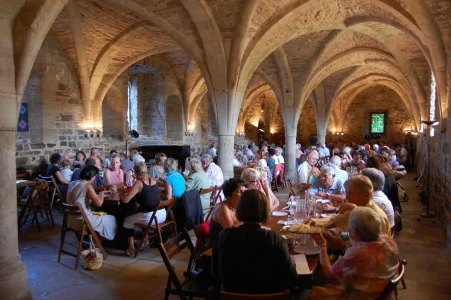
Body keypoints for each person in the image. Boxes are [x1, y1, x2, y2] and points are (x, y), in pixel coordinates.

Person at [212, 189, 297, 294]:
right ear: (265, 211)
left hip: (231, 296)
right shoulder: (274, 238)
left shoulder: (224, 235)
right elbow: (291, 277)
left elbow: (215, 272)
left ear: (239, 209)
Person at [312, 207, 399, 299]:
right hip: (380, 289)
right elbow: (352, 236)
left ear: (354, 231)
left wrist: (323, 246)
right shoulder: (386, 238)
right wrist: (334, 235)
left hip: (362, 296)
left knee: (307, 293)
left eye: (349, 225)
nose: (348, 227)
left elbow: (329, 275)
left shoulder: (357, 253)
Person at [120, 162, 166, 256]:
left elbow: (125, 200)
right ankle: (145, 242)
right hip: (162, 214)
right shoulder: (152, 180)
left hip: (151, 217)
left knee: (127, 221)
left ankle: (131, 248)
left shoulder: (139, 182)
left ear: (136, 173)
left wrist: (120, 193)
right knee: (140, 212)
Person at [67, 165, 117, 240]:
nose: (94, 179)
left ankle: (93, 242)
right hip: (84, 222)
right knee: (111, 218)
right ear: (92, 176)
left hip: (72, 221)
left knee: (99, 213)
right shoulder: (87, 186)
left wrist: (95, 190)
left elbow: (82, 192)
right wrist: (102, 192)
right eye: (95, 177)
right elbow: (99, 204)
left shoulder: (72, 183)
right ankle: (101, 243)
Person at [208, 178, 244, 247]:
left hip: (231, 243)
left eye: (244, 190)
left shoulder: (238, 206)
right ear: (228, 195)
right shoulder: (223, 208)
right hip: (217, 247)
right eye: (240, 191)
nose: (244, 193)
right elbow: (231, 234)